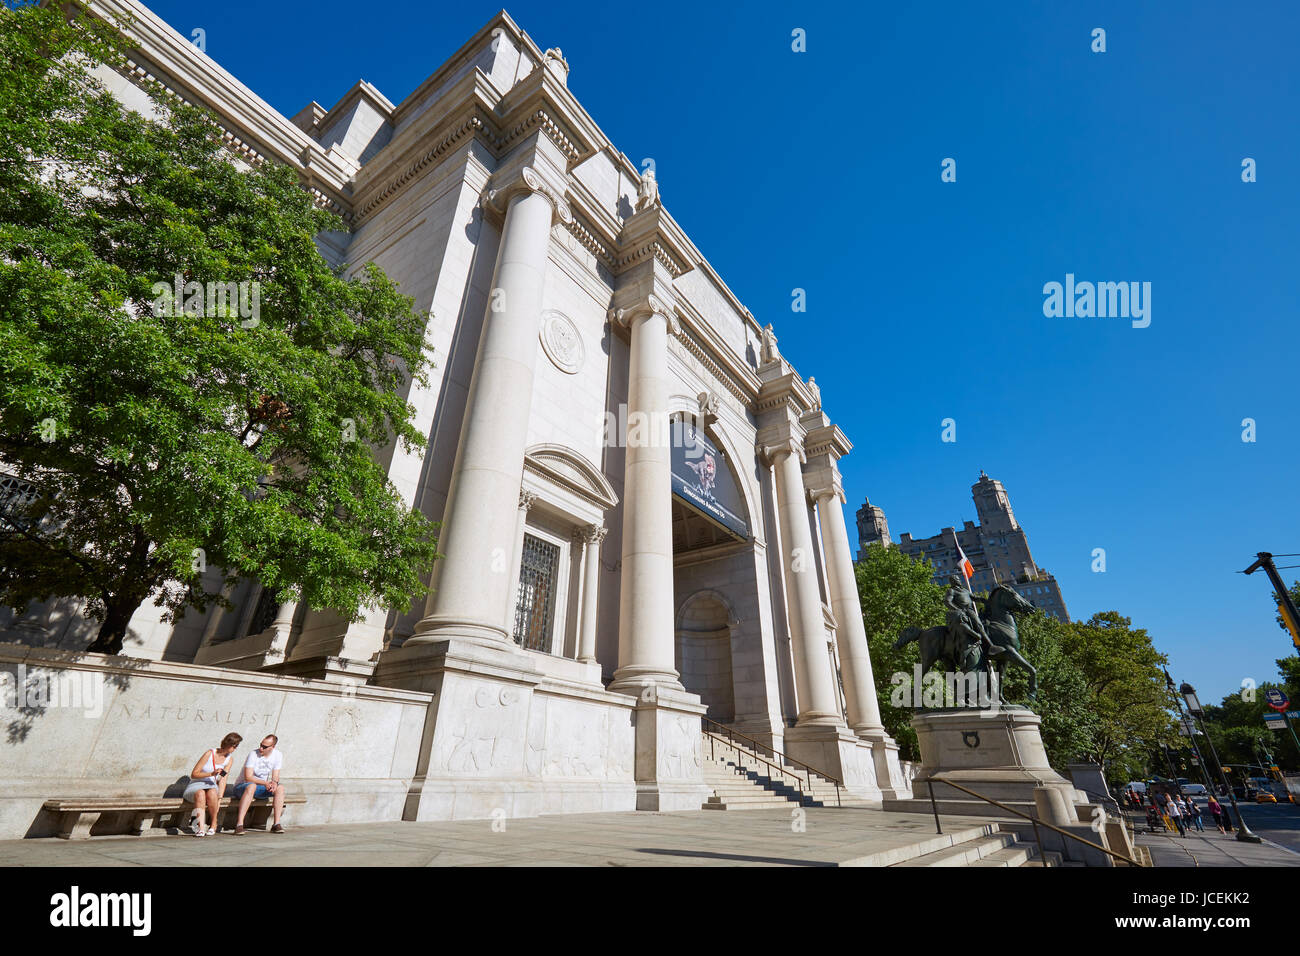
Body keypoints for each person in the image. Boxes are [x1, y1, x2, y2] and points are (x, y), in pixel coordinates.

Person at [182, 732, 242, 836]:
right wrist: (211, 773)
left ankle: (213, 823)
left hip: (211, 786)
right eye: (235, 746)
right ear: (229, 744)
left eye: (237, 746)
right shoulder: (209, 753)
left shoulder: (229, 759)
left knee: (213, 792)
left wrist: (220, 798)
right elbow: (194, 774)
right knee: (200, 793)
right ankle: (200, 828)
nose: (236, 748)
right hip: (196, 784)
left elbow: (223, 779)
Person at [231, 734, 287, 834]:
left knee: (280, 788)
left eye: (264, 747)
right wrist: (266, 783)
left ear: (272, 747)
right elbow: (248, 777)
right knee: (252, 786)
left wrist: (274, 783)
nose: (261, 748)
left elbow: (276, 775)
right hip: (242, 787)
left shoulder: (278, 755)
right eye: (261, 745)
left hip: (260, 787)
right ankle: (239, 824)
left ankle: (276, 824)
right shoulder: (253, 754)